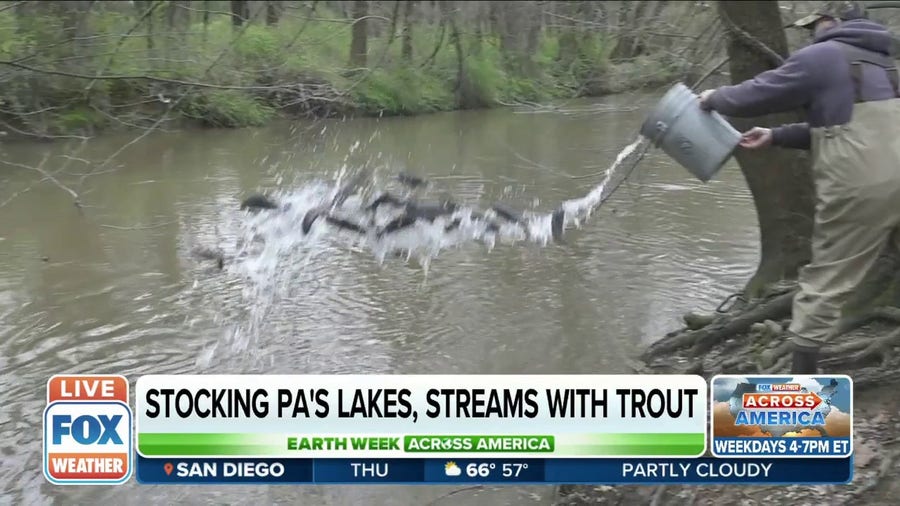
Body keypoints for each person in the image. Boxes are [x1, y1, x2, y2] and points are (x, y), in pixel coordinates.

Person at [697, 1, 900, 374]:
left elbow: (757, 93)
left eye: (815, 25)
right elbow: (846, 125)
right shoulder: (884, 62)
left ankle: (801, 394)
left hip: (862, 186)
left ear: (832, 20)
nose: (811, 33)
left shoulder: (823, 56)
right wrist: (776, 136)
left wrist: (713, 99)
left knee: (825, 282)